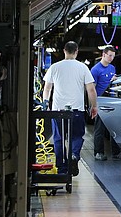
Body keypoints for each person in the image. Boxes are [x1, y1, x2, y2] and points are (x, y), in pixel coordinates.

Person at [42, 41, 98, 177]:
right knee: (76, 136)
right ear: (76, 51)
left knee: (58, 139)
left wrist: (45, 103)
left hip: (58, 110)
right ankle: (73, 156)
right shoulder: (83, 67)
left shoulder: (55, 67)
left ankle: (61, 168)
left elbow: (47, 88)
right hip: (76, 110)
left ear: (64, 51)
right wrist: (94, 106)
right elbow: (91, 89)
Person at [90, 45, 121, 161]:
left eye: (113, 56)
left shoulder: (112, 68)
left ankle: (116, 151)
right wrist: (93, 103)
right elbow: (92, 88)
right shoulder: (95, 70)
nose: (111, 58)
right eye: (109, 56)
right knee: (100, 128)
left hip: (112, 100)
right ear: (103, 55)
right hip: (101, 100)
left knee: (114, 127)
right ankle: (98, 152)